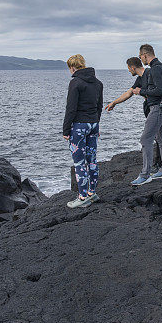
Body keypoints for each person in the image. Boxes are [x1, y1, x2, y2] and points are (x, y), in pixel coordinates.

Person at [62, 54, 103, 208]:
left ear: (72, 67)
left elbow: (70, 109)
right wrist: (96, 124)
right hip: (93, 125)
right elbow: (99, 107)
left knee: (79, 163)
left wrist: (66, 130)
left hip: (79, 127)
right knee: (92, 160)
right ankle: (92, 193)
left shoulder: (75, 83)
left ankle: (82, 197)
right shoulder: (98, 83)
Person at [130, 44, 162, 185]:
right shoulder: (161, 67)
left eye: (140, 55)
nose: (140, 58)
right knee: (161, 138)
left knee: (145, 139)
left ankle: (145, 175)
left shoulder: (155, 69)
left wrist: (140, 92)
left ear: (145, 55)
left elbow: (159, 91)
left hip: (158, 107)